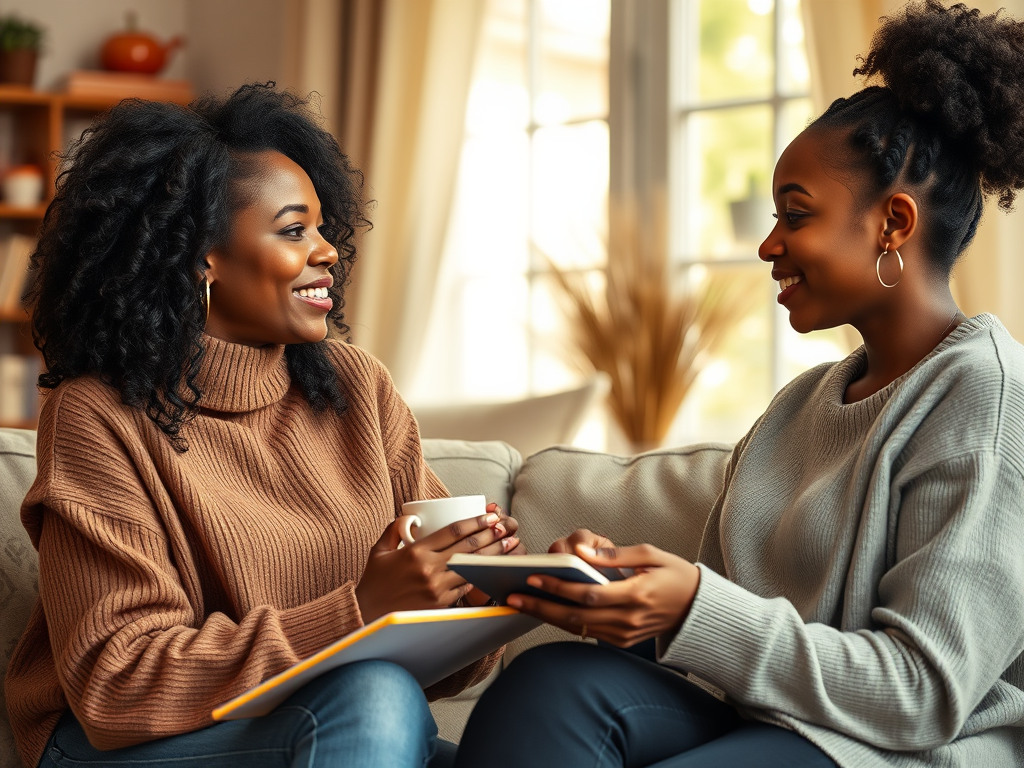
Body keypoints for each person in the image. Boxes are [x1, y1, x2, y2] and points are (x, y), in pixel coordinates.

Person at [454, 2, 1024, 767]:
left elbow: (921, 692)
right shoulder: (798, 407)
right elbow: (726, 636)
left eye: (797, 214)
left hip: (902, 749)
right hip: (772, 721)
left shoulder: (986, 401)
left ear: (892, 223)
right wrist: (624, 597)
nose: (768, 243)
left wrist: (693, 604)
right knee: (550, 683)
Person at [3, 84, 521, 768]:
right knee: (376, 701)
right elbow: (117, 685)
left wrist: (475, 589)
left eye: (323, 226)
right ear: (199, 257)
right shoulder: (98, 415)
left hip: (322, 720)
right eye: (293, 229)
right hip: (122, 744)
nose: (330, 250)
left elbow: (440, 668)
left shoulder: (356, 387)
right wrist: (361, 608)